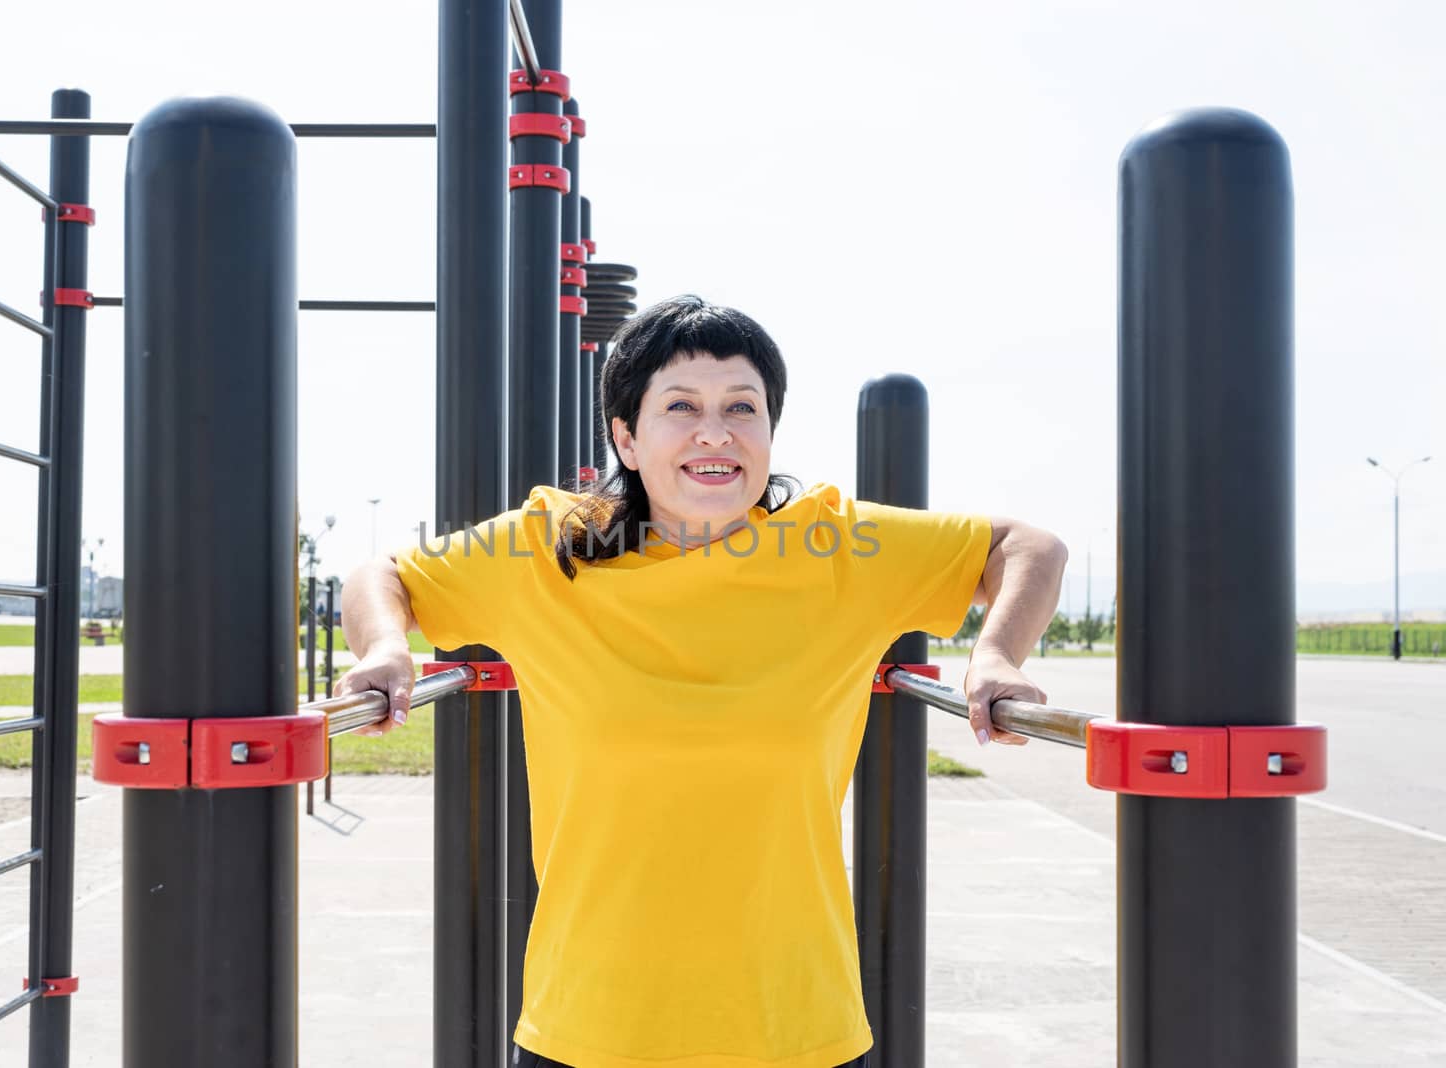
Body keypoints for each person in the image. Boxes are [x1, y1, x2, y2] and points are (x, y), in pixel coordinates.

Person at [338, 296, 1067, 1068]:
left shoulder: (840, 548)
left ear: (769, 431)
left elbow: (1030, 547)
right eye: (680, 406)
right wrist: (384, 647)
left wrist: (996, 657)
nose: (714, 432)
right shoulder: (546, 550)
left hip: (796, 1028)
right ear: (626, 435)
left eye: (741, 407)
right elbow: (380, 574)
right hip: (590, 1027)